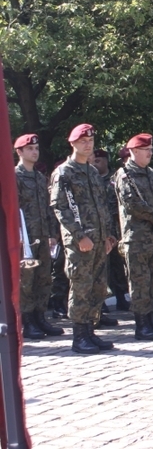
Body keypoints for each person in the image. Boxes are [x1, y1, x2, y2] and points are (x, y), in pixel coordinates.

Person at [49, 124, 118, 354]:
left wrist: (108, 235)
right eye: (83, 141)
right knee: (81, 286)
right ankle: (79, 336)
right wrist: (79, 236)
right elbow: (60, 208)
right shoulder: (64, 173)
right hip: (80, 242)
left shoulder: (92, 173)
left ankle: (90, 331)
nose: (88, 145)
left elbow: (102, 206)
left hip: (99, 240)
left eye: (90, 141)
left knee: (97, 288)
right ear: (73, 143)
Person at [114, 133, 153, 340]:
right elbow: (133, 203)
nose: (150, 153)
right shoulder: (125, 175)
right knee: (140, 282)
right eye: (146, 149)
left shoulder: (150, 173)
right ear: (134, 151)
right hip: (136, 238)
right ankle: (142, 324)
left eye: (151, 149)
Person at [15, 133, 64, 340]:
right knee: (26, 279)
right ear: (19, 152)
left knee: (44, 277)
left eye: (36, 149)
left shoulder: (39, 178)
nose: (34, 152)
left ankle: (40, 316)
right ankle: (27, 321)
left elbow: (48, 208)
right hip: (25, 238)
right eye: (30, 149)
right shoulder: (14, 177)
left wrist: (52, 234)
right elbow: (13, 210)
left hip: (43, 236)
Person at [94, 148, 131, 314]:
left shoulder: (115, 178)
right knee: (103, 267)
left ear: (106, 161)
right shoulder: (93, 179)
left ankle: (121, 298)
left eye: (98, 161)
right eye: (94, 161)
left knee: (118, 265)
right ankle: (101, 302)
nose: (96, 164)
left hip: (117, 227)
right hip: (101, 229)